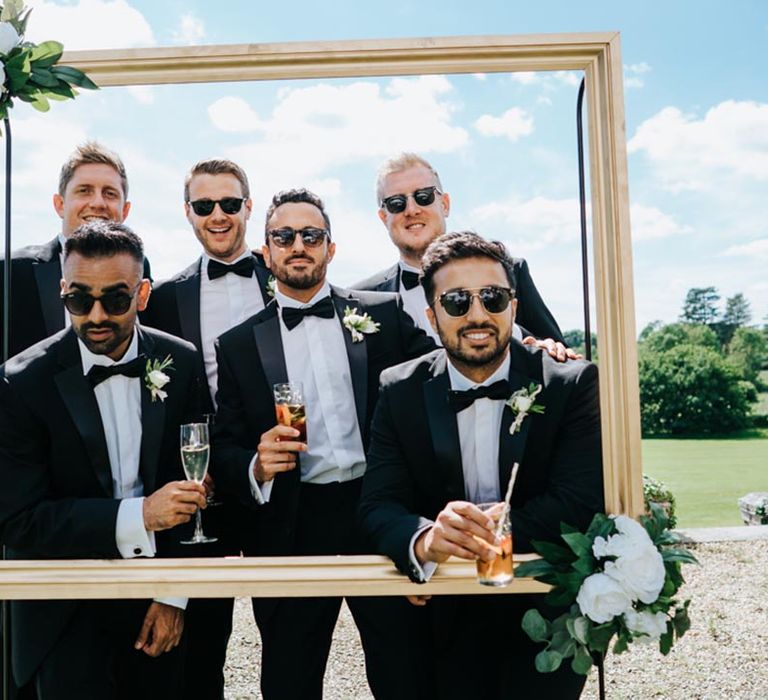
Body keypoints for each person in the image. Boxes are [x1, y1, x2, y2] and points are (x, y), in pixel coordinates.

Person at [359, 231, 604, 699]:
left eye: (493, 298)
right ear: (432, 317)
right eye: (456, 302)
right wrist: (425, 538)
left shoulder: (571, 383)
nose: (477, 315)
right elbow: (379, 503)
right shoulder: (399, 388)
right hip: (436, 613)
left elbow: (579, 500)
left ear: (514, 305)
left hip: (546, 613)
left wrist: (482, 534)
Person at [211, 188, 436, 699]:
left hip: (378, 508)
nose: (298, 245)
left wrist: (532, 343)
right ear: (265, 251)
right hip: (292, 520)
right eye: (283, 236)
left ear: (330, 248)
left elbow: (447, 370)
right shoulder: (238, 344)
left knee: (404, 669)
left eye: (311, 235)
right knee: (290, 678)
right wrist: (256, 465)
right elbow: (224, 447)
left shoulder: (386, 316)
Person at [0, 222, 208, 699]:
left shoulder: (182, 362)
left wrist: (171, 592)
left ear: (143, 294)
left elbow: (195, 487)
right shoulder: (19, 383)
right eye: (79, 299)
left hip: (154, 602)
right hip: (62, 612)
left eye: (115, 300)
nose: (95, 315)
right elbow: (19, 520)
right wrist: (140, 515)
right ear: (62, 292)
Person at [141, 158, 272, 699]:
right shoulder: (167, 298)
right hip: (199, 488)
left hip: (275, 482)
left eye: (229, 203)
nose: (217, 215)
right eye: (203, 205)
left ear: (248, 206)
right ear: (188, 212)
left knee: (291, 645)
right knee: (200, 650)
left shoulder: (284, 273)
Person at [353, 152, 570, 356]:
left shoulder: (510, 271)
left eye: (424, 196)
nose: (411, 210)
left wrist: (548, 348)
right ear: (384, 218)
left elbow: (557, 359)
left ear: (445, 204)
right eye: (396, 203)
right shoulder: (361, 301)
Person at [0, 142, 151, 361]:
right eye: (84, 191)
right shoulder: (9, 270)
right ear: (60, 204)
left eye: (109, 193)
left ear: (125, 210)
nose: (98, 202)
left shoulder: (141, 266)